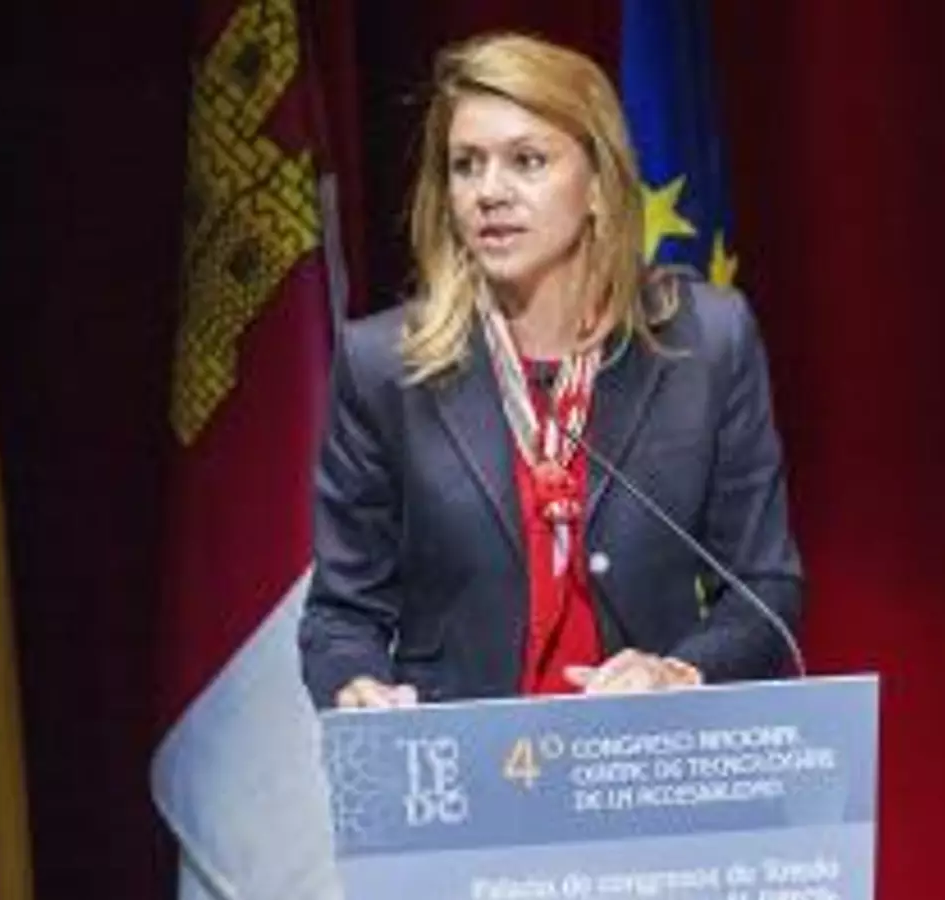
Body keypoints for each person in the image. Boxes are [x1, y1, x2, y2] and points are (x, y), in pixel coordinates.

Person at [296, 32, 802, 710]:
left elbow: (764, 590)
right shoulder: (383, 365)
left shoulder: (707, 342)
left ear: (598, 185)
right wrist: (357, 689)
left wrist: (679, 673)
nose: (489, 193)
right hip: (464, 761)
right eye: (466, 165)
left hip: (643, 753)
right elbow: (341, 615)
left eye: (527, 161)